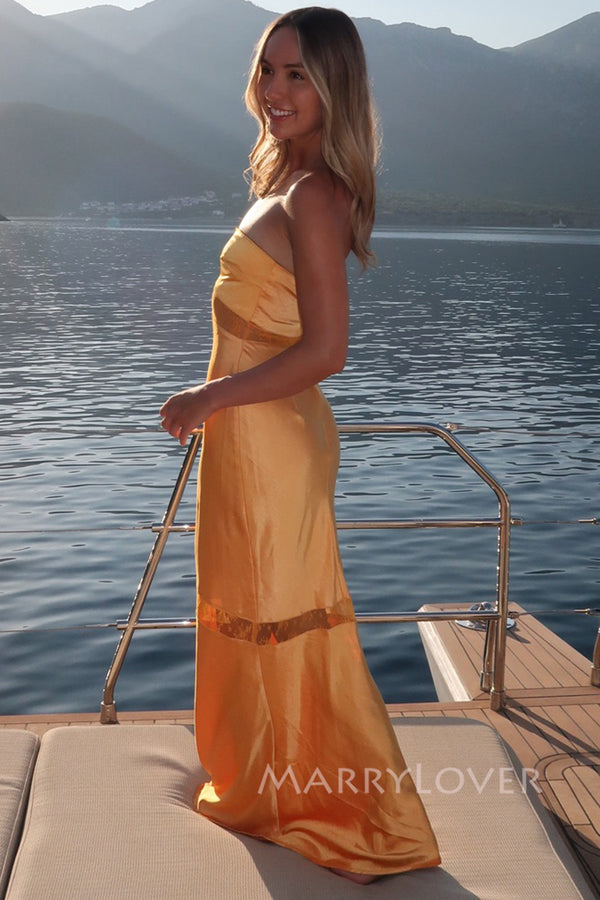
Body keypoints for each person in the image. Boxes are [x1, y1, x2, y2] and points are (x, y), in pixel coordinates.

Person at [160, 7, 440, 884]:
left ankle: (333, 812)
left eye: (297, 75)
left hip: (267, 444)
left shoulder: (313, 194)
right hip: (251, 435)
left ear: (333, 87)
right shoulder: (288, 175)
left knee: (279, 615)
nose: (275, 90)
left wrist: (209, 396)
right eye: (268, 69)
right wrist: (218, 400)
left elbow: (326, 351)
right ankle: (266, 784)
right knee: (256, 609)